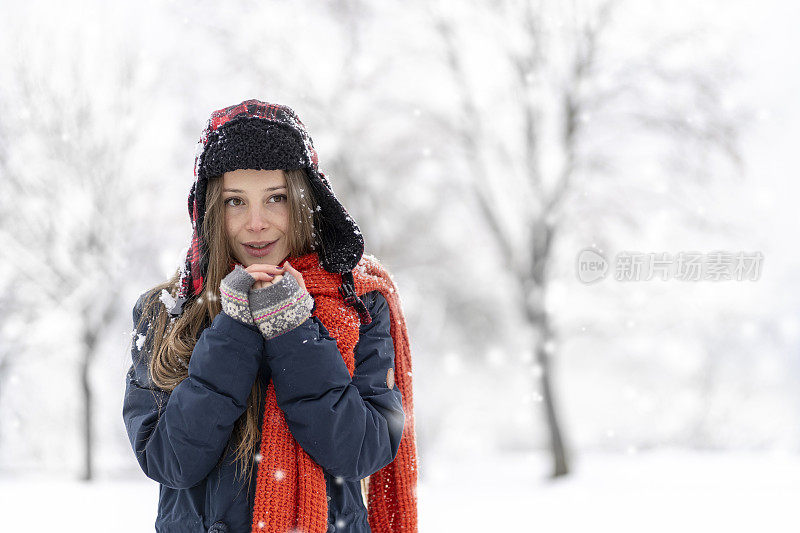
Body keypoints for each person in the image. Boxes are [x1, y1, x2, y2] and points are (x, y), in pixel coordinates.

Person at [122, 99, 418, 533]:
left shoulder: (358, 303)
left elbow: (360, 450)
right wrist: (234, 330)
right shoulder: (168, 311)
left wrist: (293, 326)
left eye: (275, 198)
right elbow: (170, 460)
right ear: (209, 211)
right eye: (235, 202)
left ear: (304, 201)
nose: (256, 223)